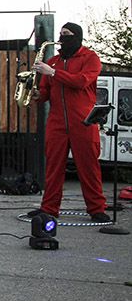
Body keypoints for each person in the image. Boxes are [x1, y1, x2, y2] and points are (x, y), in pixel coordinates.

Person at [29, 23, 110, 222]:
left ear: (77, 37)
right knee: (54, 167)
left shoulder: (90, 58)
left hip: (83, 121)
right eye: (61, 34)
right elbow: (46, 92)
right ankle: (48, 208)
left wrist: (53, 73)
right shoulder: (54, 61)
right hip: (57, 122)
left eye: (67, 35)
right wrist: (37, 94)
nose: (62, 38)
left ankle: (97, 209)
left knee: (88, 167)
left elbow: (81, 81)